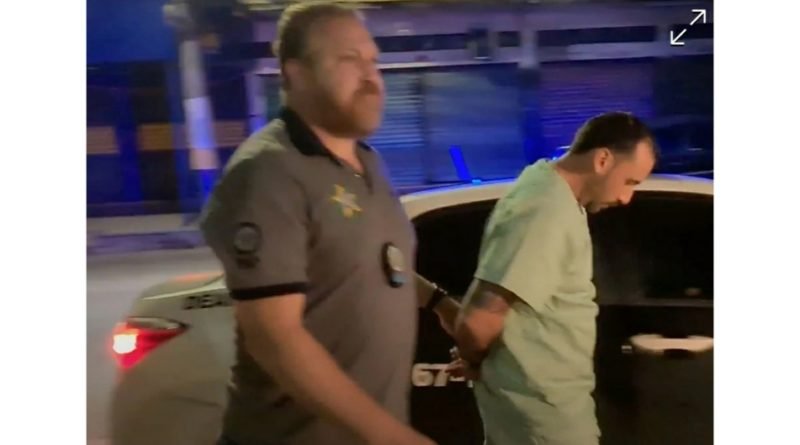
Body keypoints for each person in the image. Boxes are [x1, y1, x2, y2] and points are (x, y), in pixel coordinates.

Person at [199, 3, 436, 445]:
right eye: (349, 60)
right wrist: (391, 437)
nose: (371, 77)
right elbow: (274, 336)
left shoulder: (368, 162)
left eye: (373, 61)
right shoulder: (268, 171)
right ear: (296, 74)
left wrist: (442, 305)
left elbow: (369, 264)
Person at [430, 112, 658, 445]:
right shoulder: (546, 210)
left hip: (544, 415)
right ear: (603, 160)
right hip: (545, 421)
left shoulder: (549, 191)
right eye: (630, 182)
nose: (627, 198)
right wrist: (477, 360)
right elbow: (481, 319)